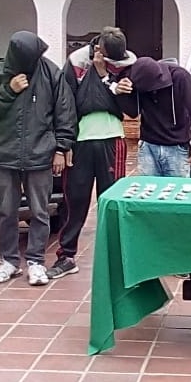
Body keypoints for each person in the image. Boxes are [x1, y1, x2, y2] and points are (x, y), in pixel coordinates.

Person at [0, 31, 76, 286]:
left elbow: (65, 113)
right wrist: (9, 90)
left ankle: (36, 262)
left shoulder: (51, 73)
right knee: (7, 211)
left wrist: (61, 149)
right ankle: (9, 261)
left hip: (40, 153)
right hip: (5, 154)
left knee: (40, 212)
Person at [49, 27, 135, 280]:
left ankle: (117, 259)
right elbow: (65, 105)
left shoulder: (127, 63)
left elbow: (131, 107)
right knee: (75, 201)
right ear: (97, 49)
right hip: (81, 141)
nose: (112, 63)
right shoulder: (76, 63)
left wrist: (106, 77)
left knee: (112, 201)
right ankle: (66, 256)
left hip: (112, 140)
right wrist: (63, 146)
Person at [115, 56, 191, 176]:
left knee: (177, 191)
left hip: (176, 146)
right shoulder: (133, 77)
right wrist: (121, 93)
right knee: (147, 190)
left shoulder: (180, 77)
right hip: (148, 145)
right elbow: (133, 112)